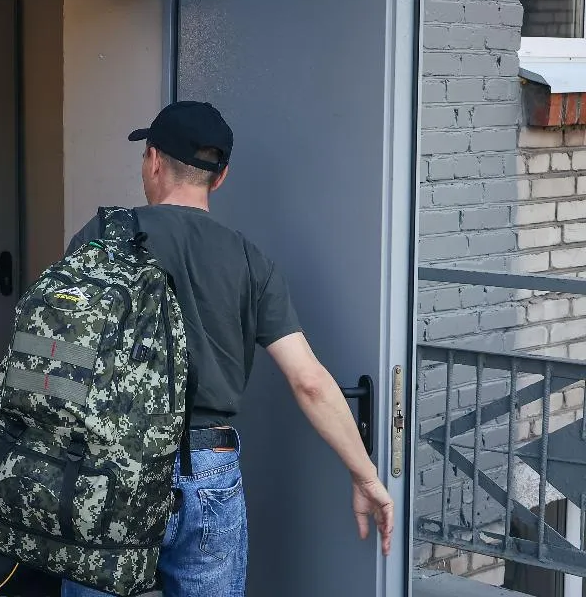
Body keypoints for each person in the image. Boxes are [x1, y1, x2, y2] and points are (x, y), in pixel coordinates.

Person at [59, 101, 394, 597]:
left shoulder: (102, 239)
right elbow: (309, 381)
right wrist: (365, 475)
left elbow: (59, 359)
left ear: (153, 159)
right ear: (220, 177)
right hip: (208, 471)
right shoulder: (250, 261)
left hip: (111, 463)